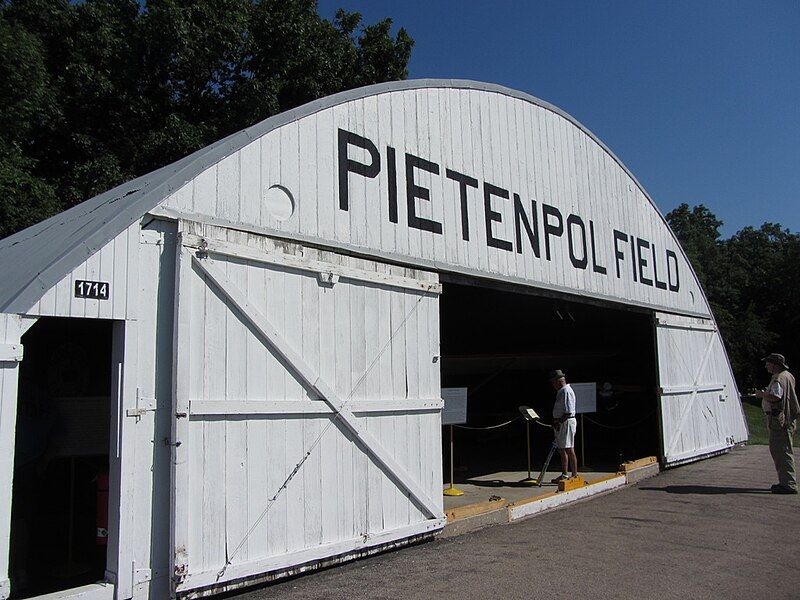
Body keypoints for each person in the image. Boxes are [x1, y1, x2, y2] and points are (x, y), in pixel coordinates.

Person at [753, 353, 798, 494]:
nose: (766, 365)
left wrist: (761, 394)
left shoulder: (779, 378)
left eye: (768, 363)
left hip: (779, 420)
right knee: (783, 450)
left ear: (775, 364)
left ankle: (788, 484)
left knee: (781, 452)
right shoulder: (788, 375)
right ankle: (786, 482)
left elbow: (775, 397)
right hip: (786, 418)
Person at [548, 369, 578, 483]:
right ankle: (564, 474)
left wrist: (559, 421)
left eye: (554, 382)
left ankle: (574, 475)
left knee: (569, 448)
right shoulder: (561, 391)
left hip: (566, 422)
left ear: (558, 381)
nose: (553, 385)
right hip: (561, 422)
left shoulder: (566, 391)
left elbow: (568, 411)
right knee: (562, 449)